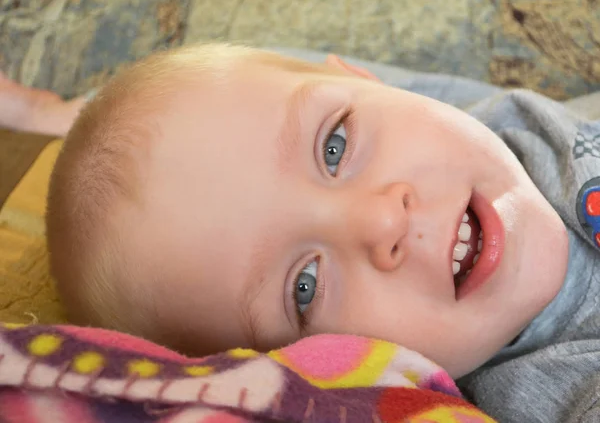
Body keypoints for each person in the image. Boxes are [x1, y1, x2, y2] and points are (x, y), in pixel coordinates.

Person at [35, 44, 600, 422]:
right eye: (303, 286)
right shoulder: (561, 393)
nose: (383, 221)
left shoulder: (487, 126)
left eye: (335, 147)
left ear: (357, 75)